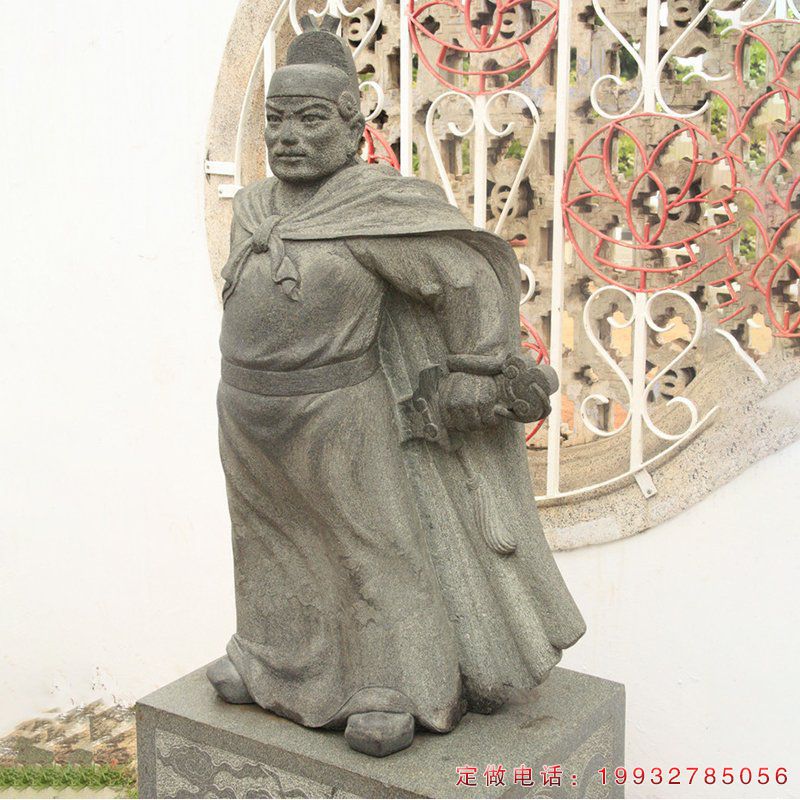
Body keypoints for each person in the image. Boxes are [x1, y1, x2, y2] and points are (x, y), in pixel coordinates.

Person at [207, 15, 585, 757]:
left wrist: (477, 368)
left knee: (373, 547)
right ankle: (269, 662)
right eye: (277, 120)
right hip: (246, 410)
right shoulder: (252, 207)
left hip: (340, 413)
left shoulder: (375, 208)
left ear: (353, 129)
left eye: (311, 119)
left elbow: (466, 276)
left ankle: (397, 686)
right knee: (264, 541)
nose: (288, 136)